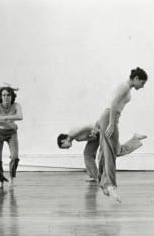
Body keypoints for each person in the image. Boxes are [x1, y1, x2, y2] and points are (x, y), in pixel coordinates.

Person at [97, 67, 148, 202]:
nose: (142, 87)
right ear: (136, 79)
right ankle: (111, 185)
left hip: (109, 118)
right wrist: (112, 124)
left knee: (110, 151)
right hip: (109, 118)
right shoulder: (125, 87)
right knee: (110, 153)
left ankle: (104, 183)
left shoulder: (125, 87)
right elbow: (113, 104)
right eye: (142, 83)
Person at [57, 124, 147, 182]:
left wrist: (96, 130)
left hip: (103, 132)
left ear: (63, 141)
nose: (67, 149)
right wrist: (92, 136)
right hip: (97, 138)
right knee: (87, 154)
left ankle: (135, 138)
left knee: (117, 152)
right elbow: (92, 138)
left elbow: (88, 126)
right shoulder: (76, 138)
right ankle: (96, 177)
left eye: (64, 147)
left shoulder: (73, 132)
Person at [0, 83, 23, 188]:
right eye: (4, 95)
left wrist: (4, 118)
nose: (6, 97)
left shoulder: (17, 105)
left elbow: (20, 116)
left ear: (12, 96)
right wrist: (10, 123)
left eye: (8, 95)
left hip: (11, 134)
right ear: (0, 96)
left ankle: (12, 178)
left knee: (15, 157)